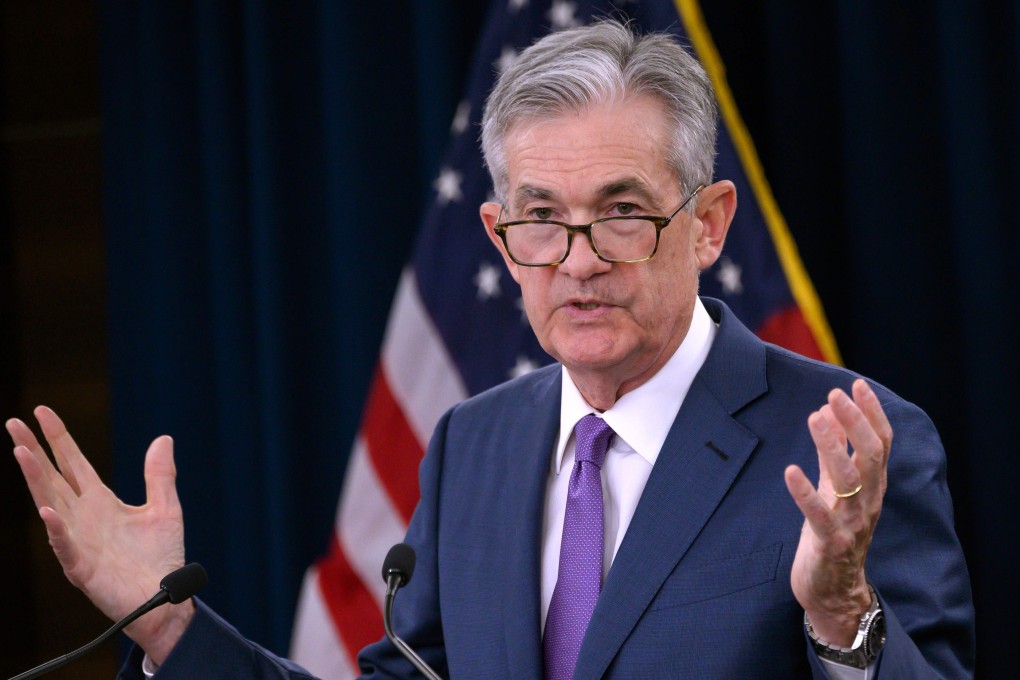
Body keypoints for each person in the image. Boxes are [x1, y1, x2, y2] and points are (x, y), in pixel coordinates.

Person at [7, 20, 974, 679]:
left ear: (709, 223)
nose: (578, 262)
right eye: (541, 221)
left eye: (624, 214)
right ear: (498, 234)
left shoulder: (846, 445)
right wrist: (168, 622)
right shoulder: (473, 445)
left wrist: (842, 619)